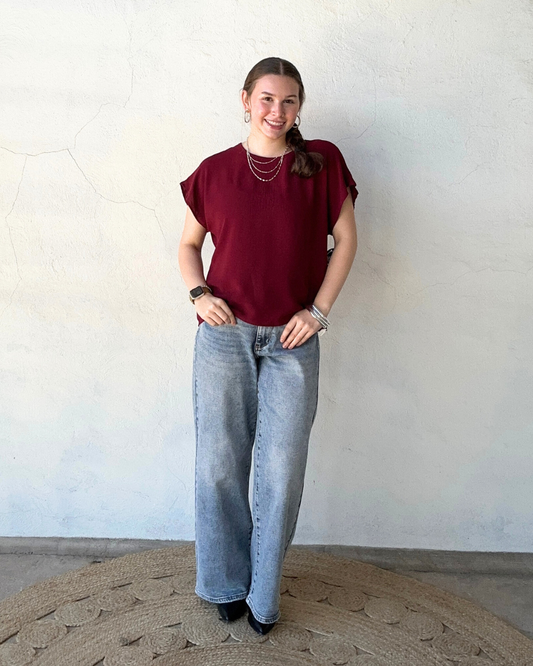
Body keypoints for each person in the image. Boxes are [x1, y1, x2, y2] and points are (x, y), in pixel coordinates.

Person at [177, 57, 358, 634]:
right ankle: (224, 582)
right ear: (245, 100)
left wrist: (318, 312)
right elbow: (188, 246)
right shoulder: (214, 171)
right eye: (267, 99)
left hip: (292, 339)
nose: (277, 111)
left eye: (289, 101)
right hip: (224, 337)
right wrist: (199, 294)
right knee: (219, 465)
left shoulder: (321, 163)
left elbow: (346, 241)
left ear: (299, 107)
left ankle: (263, 594)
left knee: (281, 470)